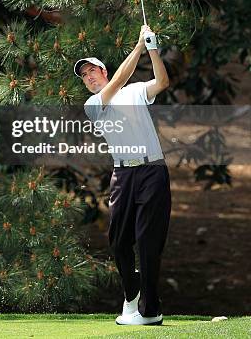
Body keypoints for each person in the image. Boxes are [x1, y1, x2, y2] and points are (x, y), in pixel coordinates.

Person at [74, 25, 171, 326]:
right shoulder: (93, 105)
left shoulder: (135, 91)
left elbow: (163, 82)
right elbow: (117, 82)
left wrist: (152, 48)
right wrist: (139, 46)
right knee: (118, 243)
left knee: (147, 241)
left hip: (152, 170)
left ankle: (150, 309)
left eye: (92, 72)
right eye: (84, 76)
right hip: (123, 175)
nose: (89, 77)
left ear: (103, 71)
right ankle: (132, 290)